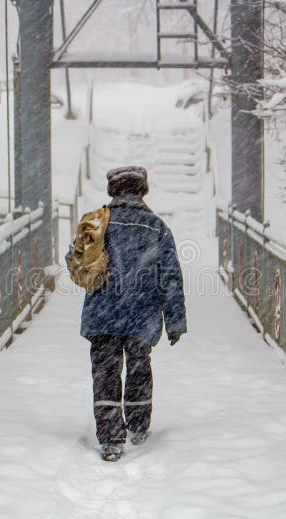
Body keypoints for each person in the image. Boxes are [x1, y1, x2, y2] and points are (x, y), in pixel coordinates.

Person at [68, 166, 187, 462]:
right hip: (142, 314)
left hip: (103, 312)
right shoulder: (156, 227)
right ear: (143, 190)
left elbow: (75, 258)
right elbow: (170, 276)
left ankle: (110, 439)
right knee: (138, 369)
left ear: (113, 191)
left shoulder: (97, 222)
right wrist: (175, 320)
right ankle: (137, 427)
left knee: (105, 373)